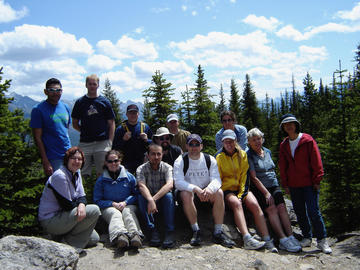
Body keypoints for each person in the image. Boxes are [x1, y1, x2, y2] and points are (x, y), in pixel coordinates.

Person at [279, 114, 332, 254]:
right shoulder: (284, 144)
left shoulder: (307, 140)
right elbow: (283, 165)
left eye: (291, 123)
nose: (289, 126)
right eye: (286, 124)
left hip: (309, 183)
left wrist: (317, 179)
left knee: (314, 211)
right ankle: (307, 237)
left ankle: (322, 240)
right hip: (294, 184)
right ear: (283, 128)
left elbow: (316, 160)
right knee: (300, 212)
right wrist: (285, 184)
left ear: (296, 125)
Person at [174, 134, 235, 248]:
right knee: (186, 194)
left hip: (206, 193)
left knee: (219, 193)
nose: (194, 147)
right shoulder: (180, 160)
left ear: (201, 146)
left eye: (196, 144)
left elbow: (216, 179)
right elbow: (178, 182)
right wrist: (195, 189)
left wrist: (209, 189)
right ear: (186, 146)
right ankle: (196, 230)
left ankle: (218, 232)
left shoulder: (209, 159)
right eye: (191, 144)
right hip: (190, 194)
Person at [247, 128, 302, 252]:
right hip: (260, 188)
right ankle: (282, 239)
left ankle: (290, 236)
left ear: (262, 139)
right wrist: (266, 193)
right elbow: (253, 177)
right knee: (271, 209)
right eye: (253, 140)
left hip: (274, 184)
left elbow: (272, 170)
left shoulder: (267, 151)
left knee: (282, 207)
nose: (257, 142)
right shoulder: (249, 154)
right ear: (249, 142)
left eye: (258, 139)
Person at [216, 129, 271, 251]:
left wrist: (242, 194)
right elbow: (218, 179)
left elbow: (245, 177)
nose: (229, 144)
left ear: (235, 141)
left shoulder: (242, 155)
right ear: (222, 143)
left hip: (241, 188)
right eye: (226, 142)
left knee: (254, 204)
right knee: (236, 203)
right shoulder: (219, 158)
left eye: (231, 141)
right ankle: (247, 238)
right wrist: (237, 197)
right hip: (227, 189)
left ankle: (267, 239)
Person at [38, 147, 100, 250]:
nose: (76, 161)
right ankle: (69, 246)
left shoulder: (76, 173)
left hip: (65, 216)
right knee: (94, 210)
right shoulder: (60, 176)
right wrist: (81, 205)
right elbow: (67, 205)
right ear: (67, 159)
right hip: (51, 220)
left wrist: (81, 205)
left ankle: (60, 237)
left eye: (79, 159)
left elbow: (82, 196)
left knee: (94, 239)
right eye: (73, 158)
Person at [93, 150, 143, 249]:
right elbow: (97, 200)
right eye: (110, 161)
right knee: (115, 214)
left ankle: (135, 235)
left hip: (127, 204)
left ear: (120, 161)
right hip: (109, 207)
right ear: (106, 163)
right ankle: (120, 236)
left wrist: (126, 202)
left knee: (128, 212)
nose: (113, 164)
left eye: (115, 161)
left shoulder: (129, 177)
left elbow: (137, 194)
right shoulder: (101, 180)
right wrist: (112, 204)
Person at [71, 74, 115, 177]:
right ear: (86, 85)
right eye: (90, 84)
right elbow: (74, 123)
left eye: (94, 84)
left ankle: (102, 193)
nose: (92, 86)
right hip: (85, 143)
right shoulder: (80, 102)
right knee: (82, 172)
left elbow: (111, 123)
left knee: (103, 172)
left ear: (98, 85)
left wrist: (110, 142)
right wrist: (84, 131)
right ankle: (83, 193)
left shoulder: (104, 102)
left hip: (102, 143)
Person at [136, 144, 175, 248]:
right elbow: (141, 186)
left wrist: (153, 199)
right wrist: (150, 199)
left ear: (162, 155)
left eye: (159, 154)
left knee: (169, 197)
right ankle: (152, 231)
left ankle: (169, 232)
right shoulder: (141, 169)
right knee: (141, 197)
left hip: (161, 199)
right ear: (148, 155)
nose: (156, 157)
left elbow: (169, 185)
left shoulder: (167, 167)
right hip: (148, 199)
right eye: (153, 154)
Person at [30, 78, 71, 176]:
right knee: (58, 187)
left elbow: (65, 129)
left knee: (74, 185)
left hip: (69, 154)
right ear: (46, 92)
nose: (55, 93)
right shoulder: (38, 110)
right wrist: (45, 160)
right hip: (53, 157)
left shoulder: (65, 107)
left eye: (58, 90)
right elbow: (37, 138)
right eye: (52, 90)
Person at [112, 104, 152, 174]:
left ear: (138, 114)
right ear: (127, 114)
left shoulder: (145, 127)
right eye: (130, 113)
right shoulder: (120, 129)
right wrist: (123, 140)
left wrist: (147, 140)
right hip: (126, 162)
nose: (133, 115)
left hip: (142, 161)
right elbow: (114, 147)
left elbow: (154, 144)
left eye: (135, 113)